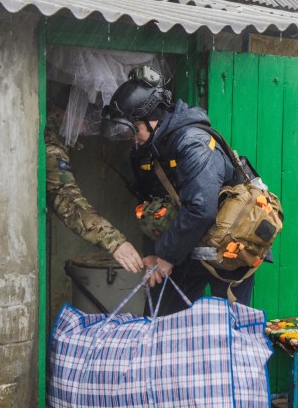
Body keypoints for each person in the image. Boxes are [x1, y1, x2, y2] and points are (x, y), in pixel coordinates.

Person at [101, 67, 255, 315]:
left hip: (228, 248)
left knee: (228, 330)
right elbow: (151, 207)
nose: (131, 137)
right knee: (161, 319)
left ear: (153, 119)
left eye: (134, 128)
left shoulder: (192, 142)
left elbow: (201, 208)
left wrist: (166, 256)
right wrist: (152, 255)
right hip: (187, 246)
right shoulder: (146, 149)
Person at [46, 86, 143, 273]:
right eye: (81, 116)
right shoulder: (51, 149)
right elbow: (68, 201)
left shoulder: (57, 139)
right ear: (62, 112)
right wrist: (114, 241)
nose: (85, 126)